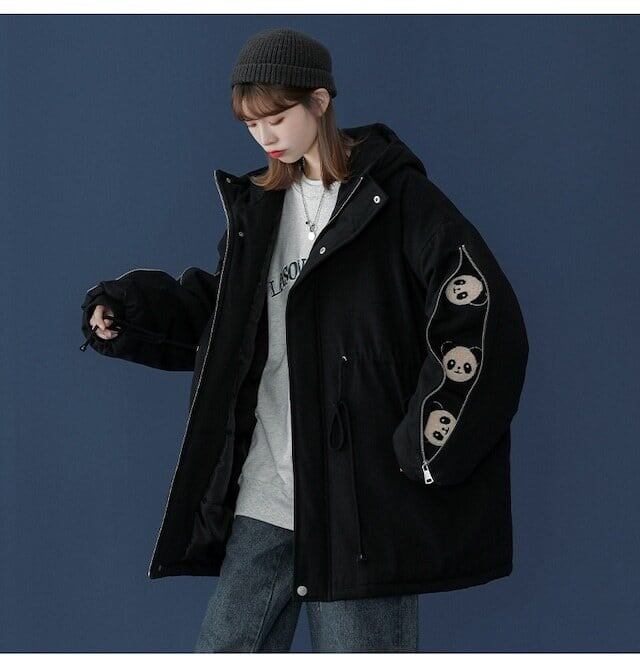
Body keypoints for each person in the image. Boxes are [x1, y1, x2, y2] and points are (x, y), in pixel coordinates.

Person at [80, 27, 529, 653]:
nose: (265, 137)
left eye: (277, 117)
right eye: (250, 124)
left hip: (359, 502)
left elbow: (478, 306)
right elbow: (227, 318)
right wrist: (130, 315)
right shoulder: (262, 209)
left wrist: (426, 441)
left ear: (319, 101)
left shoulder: (394, 197)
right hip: (268, 488)